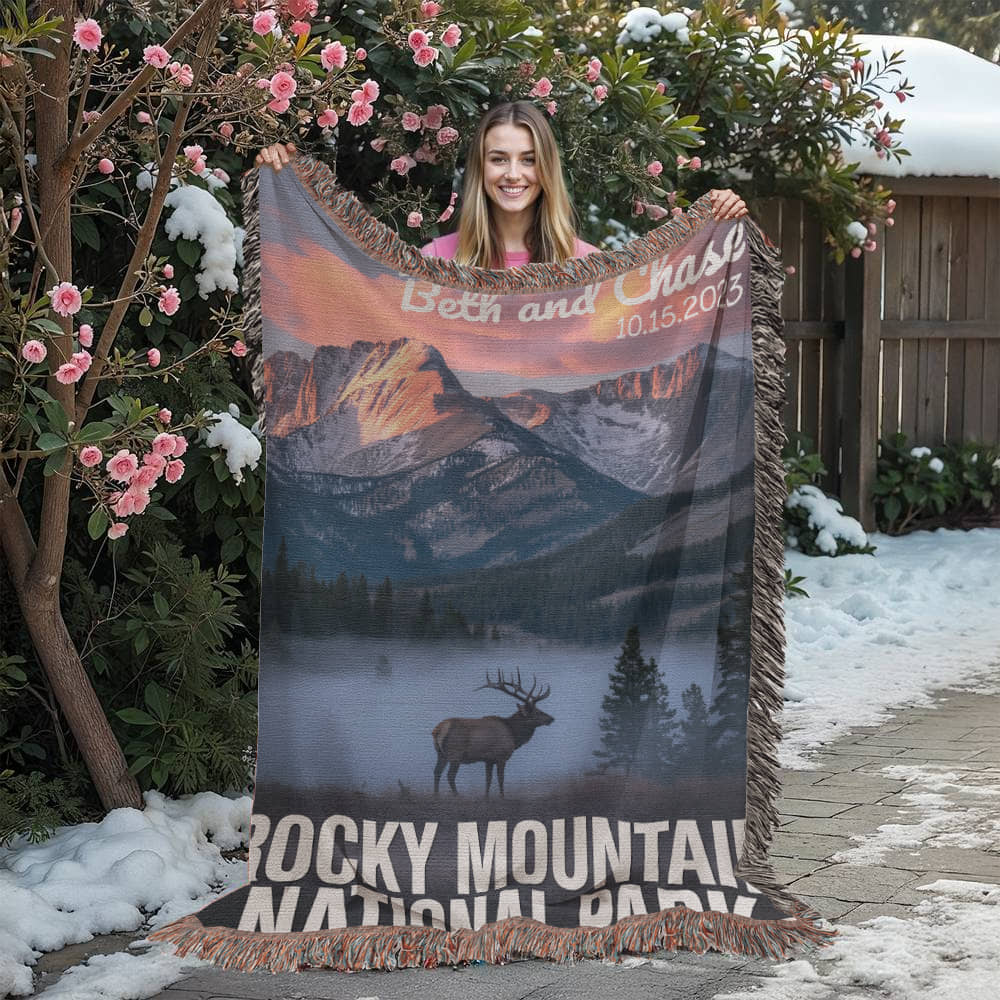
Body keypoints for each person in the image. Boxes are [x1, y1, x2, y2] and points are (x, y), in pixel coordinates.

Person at [255, 101, 748, 269]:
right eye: (499, 159)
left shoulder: (591, 268)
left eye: (529, 160)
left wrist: (719, 219)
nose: (514, 174)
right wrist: (290, 189)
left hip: (555, 481)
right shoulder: (435, 263)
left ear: (546, 172)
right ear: (479, 170)